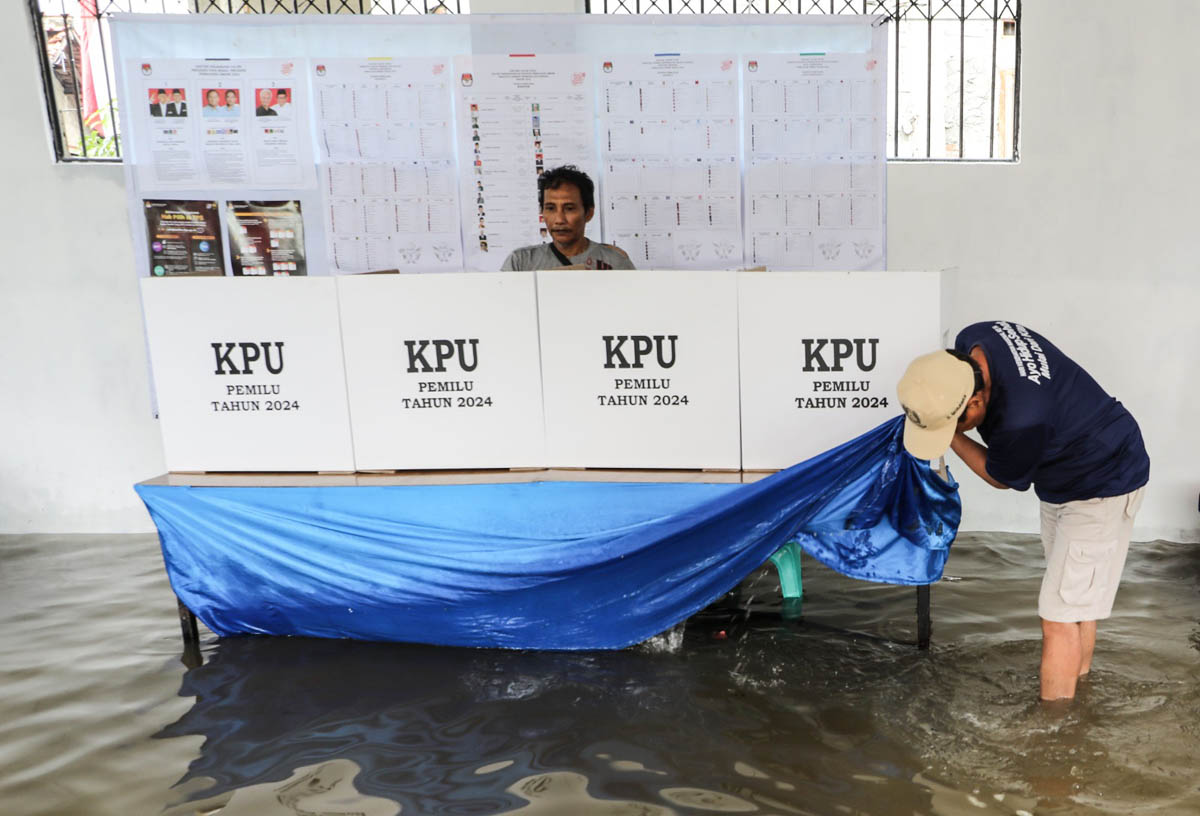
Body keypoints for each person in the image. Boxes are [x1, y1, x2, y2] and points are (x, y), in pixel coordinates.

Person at [897, 321, 1149, 701]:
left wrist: (950, 436)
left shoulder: (1022, 418)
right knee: (1073, 605)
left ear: (975, 402)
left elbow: (1000, 478)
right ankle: (1079, 698)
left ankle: (1055, 727)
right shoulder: (976, 337)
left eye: (952, 421)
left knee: (1058, 617)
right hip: (1066, 474)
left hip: (1102, 480)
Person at [499, 166, 634, 271]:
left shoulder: (615, 262)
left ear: (588, 213)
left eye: (569, 208)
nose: (559, 219)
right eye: (550, 208)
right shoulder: (520, 263)